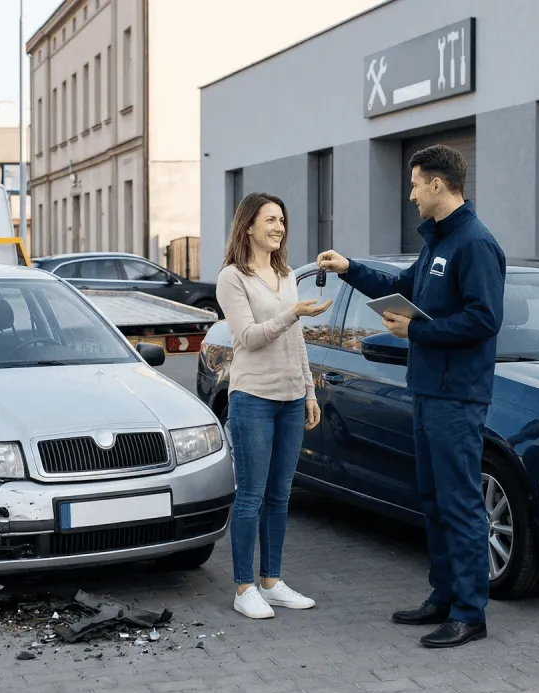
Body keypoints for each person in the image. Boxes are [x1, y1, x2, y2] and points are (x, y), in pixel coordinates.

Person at [317, 144, 506, 648]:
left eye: (416, 183)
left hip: (457, 398)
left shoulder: (475, 244)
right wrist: (349, 268)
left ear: (439, 184)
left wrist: (416, 332)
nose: (411, 194)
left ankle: (470, 613)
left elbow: (485, 319)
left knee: (461, 504)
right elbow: (400, 283)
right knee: (434, 500)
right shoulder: (436, 244)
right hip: (426, 391)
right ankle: (443, 597)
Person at [216, 192, 333, 620]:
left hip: (289, 398)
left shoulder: (285, 272)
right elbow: (246, 337)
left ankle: (272, 580)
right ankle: (244, 587)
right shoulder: (232, 277)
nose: (279, 227)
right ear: (248, 226)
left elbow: (295, 338)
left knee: (280, 495)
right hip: (253, 399)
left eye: (282, 220)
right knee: (251, 495)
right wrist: (293, 313)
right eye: (270, 220)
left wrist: (309, 390)